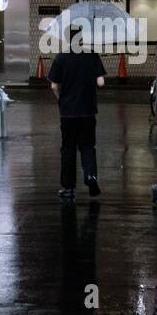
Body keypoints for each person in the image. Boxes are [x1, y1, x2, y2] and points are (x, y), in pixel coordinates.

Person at [48, 24, 106, 200]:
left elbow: (53, 85)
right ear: (82, 38)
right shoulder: (91, 55)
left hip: (68, 112)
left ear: (67, 39)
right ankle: (90, 176)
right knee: (88, 146)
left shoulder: (61, 58)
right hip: (88, 110)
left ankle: (68, 188)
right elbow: (101, 82)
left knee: (68, 149)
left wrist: (61, 99)